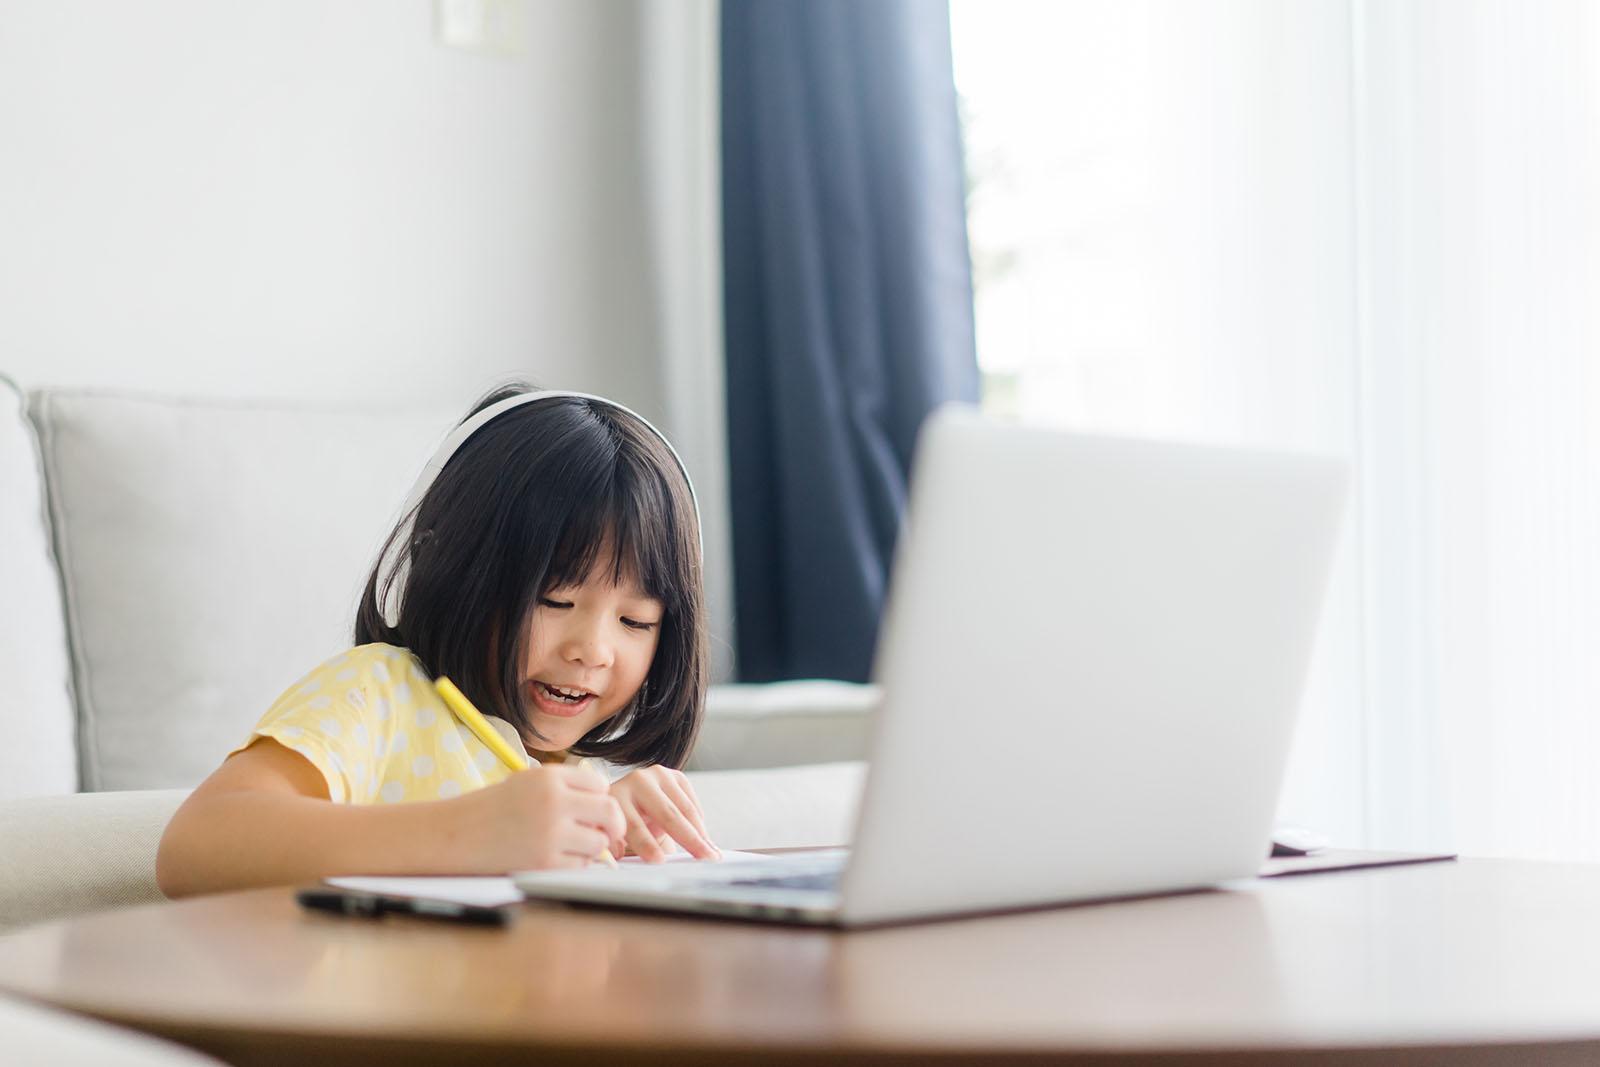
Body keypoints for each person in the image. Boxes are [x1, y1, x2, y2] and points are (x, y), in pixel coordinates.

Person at [156, 384, 719, 898]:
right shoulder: (381, 693)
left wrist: (605, 834)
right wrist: (467, 834)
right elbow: (194, 847)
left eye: (636, 622)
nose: (592, 650)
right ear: (455, 568)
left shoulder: (574, 774)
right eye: (555, 602)